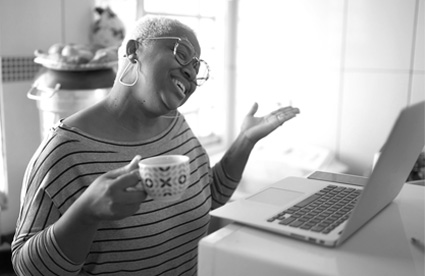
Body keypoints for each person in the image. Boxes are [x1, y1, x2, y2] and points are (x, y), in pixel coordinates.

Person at [12, 16, 300, 275]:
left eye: (196, 68)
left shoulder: (177, 126)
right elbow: (27, 268)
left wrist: (245, 139)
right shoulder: (65, 151)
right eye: (182, 54)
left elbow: (208, 195)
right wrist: (86, 214)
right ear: (133, 51)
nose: (190, 74)